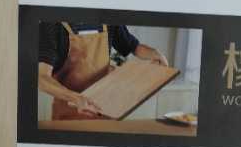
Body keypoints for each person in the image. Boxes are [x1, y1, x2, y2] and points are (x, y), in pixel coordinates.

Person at [37, 20, 168, 119]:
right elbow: (41, 78)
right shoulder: (52, 23)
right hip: (69, 112)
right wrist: (76, 98)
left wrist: (155, 53)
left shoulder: (109, 17)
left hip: (105, 110)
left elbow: (134, 47)